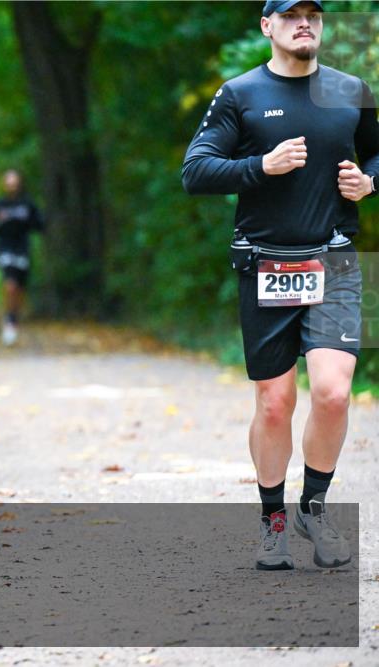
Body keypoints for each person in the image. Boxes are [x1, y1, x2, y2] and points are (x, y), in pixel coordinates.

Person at [181, 0, 378, 571]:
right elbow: (195, 171)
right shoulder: (240, 94)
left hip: (335, 261)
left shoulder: (350, 90)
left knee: (334, 392)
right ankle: (272, 520)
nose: (304, 24)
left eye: (313, 15)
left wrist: (369, 183)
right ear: (267, 26)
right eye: (291, 15)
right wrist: (260, 167)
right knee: (274, 403)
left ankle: (313, 506)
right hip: (265, 264)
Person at [0, 169, 45, 345]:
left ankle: (13, 316)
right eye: (8, 181)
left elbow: (40, 225)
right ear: (4, 183)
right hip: (4, 247)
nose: (11, 184)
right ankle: (9, 320)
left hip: (22, 248)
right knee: (9, 285)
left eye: (14, 181)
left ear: (19, 183)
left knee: (19, 287)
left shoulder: (28, 204)